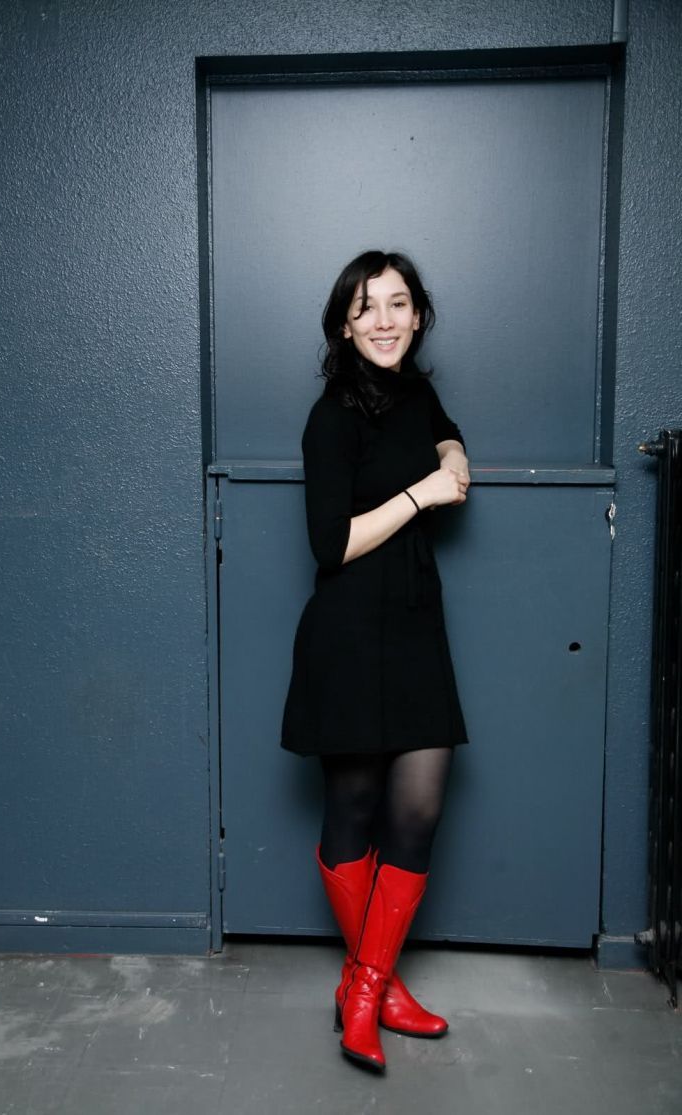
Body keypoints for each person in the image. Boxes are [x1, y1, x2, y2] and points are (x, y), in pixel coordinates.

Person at [281, 249, 470, 1074]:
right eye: (367, 307)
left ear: (418, 316)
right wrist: (424, 492)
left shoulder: (416, 394)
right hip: (350, 629)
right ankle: (373, 993)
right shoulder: (330, 417)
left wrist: (454, 455)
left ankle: (364, 985)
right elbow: (331, 544)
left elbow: (443, 432)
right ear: (345, 324)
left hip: (417, 622)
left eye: (398, 304)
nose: (384, 320)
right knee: (353, 808)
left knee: (418, 809)